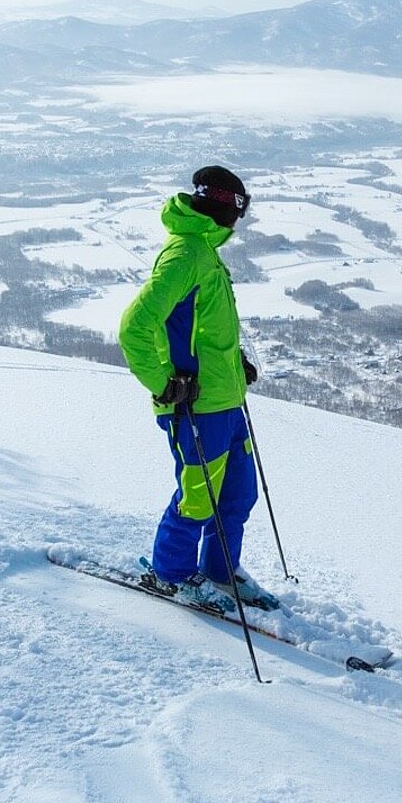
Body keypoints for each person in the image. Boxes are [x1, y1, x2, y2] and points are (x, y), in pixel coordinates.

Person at [118, 165, 278, 614]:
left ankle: (219, 571)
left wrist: (235, 363)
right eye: (240, 210)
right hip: (196, 408)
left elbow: (201, 329)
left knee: (238, 495)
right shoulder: (185, 254)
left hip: (226, 401)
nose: (241, 221)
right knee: (197, 498)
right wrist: (164, 383)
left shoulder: (205, 249)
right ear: (226, 207)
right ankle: (171, 576)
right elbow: (134, 327)